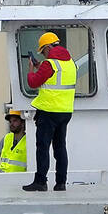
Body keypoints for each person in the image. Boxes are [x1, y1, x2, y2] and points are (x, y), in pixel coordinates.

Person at [23, 31, 75, 192]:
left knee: (43, 146)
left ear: (47, 47)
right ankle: (61, 183)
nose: (44, 55)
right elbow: (56, 77)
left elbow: (33, 82)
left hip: (49, 112)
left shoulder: (50, 64)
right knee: (60, 147)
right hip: (65, 111)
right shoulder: (70, 63)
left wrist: (31, 70)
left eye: (43, 51)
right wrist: (41, 67)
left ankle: (40, 181)